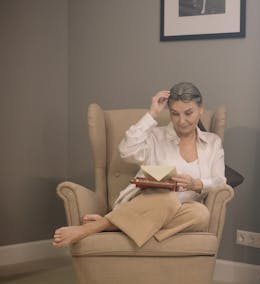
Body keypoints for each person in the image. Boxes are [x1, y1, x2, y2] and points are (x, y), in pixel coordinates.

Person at [53, 82, 226, 248]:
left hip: (183, 210)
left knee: (201, 214)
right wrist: (152, 114)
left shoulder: (212, 142)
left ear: (201, 109)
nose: (181, 121)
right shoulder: (156, 136)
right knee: (167, 200)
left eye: (188, 113)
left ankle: (111, 224)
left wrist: (197, 184)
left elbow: (220, 181)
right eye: (175, 114)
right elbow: (126, 151)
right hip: (150, 202)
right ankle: (91, 228)